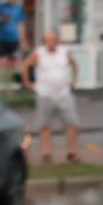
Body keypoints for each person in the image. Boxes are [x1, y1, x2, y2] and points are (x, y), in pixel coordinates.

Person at [26, 29, 82, 164]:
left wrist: (74, 80)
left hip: (63, 93)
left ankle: (72, 152)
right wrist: (28, 83)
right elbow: (26, 65)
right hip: (45, 94)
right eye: (48, 41)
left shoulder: (64, 52)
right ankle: (46, 153)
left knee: (72, 123)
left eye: (53, 40)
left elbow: (74, 64)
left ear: (57, 41)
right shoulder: (39, 53)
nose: (50, 43)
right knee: (44, 124)